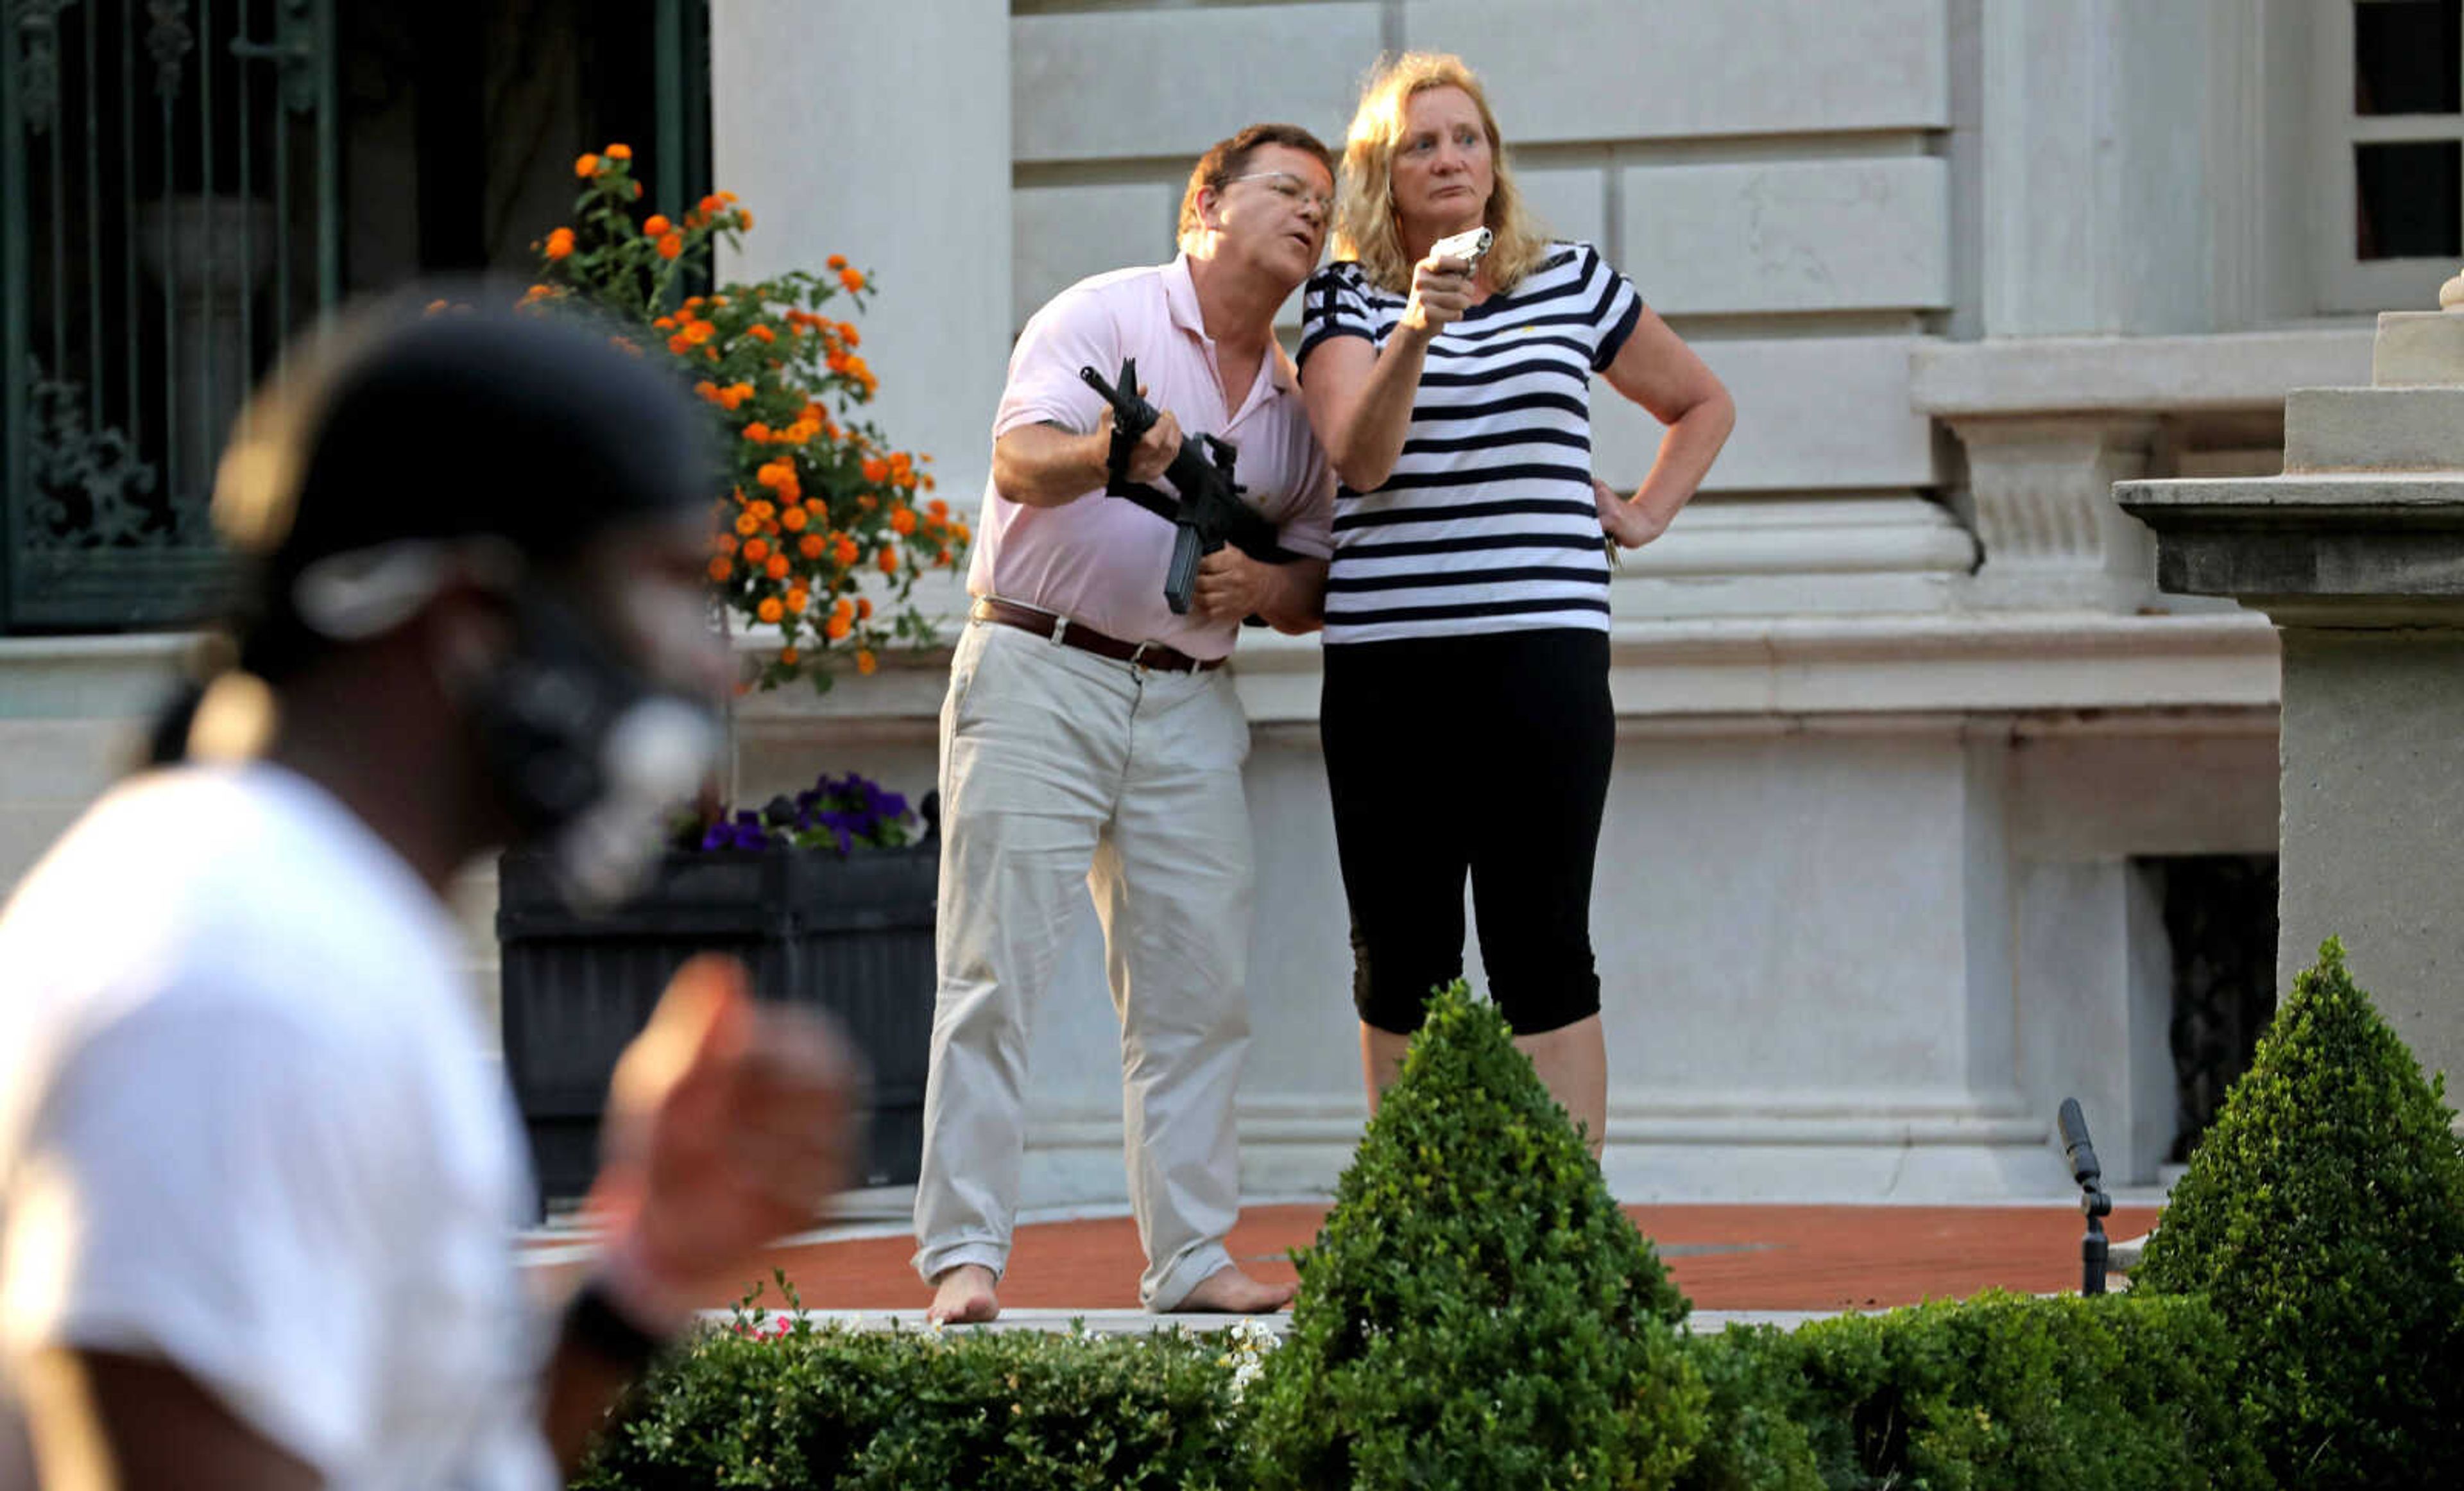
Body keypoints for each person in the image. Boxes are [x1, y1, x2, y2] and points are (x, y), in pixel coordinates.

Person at [0, 297, 860, 1488]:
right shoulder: (241, 984)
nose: (714, 659)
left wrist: (638, 1276)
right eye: (662, 586)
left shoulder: (300, 920)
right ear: (472, 622)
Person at [915, 123, 1339, 1325]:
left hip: (1193, 699)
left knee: (1197, 993)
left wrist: (1259, 590)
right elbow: (1016, 462)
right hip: (1041, 669)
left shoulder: (1298, 408)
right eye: (1287, 191)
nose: (1312, 214)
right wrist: (1115, 451)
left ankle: (1193, 1258)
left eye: (1325, 202)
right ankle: (965, 1256)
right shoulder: (1101, 317)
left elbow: (1311, 581)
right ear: (1204, 202)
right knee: (994, 973)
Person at [1296, 54, 1736, 1156]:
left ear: (1494, 161)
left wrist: (1643, 512)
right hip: (1391, 672)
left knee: (1544, 948)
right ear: (1382, 175)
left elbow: (1702, 403)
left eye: (1467, 137)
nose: (1449, 158)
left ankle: (1565, 1238)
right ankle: (1417, 1228)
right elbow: (1360, 462)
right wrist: (1414, 330)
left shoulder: (1569, 278)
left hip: (1542, 660)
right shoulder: (1348, 298)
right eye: (1421, 143)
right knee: (1402, 956)